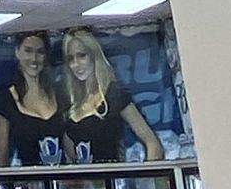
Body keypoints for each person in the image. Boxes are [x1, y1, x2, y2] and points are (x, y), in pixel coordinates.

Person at [58, 25, 165, 163]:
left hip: (113, 179)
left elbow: (152, 142)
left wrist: (149, 177)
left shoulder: (113, 95)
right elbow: (71, 157)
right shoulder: (71, 103)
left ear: (93, 55)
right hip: (86, 182)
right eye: (71, 59)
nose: (76, 64)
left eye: (81, 56)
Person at [0, 28, 67, 166]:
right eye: (28, 51)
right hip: (29, 183)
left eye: (40, 52)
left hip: (64, 183)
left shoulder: (60, 93)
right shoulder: (6, 99)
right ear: (17, 52)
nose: (34, 58)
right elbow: (1, 156)